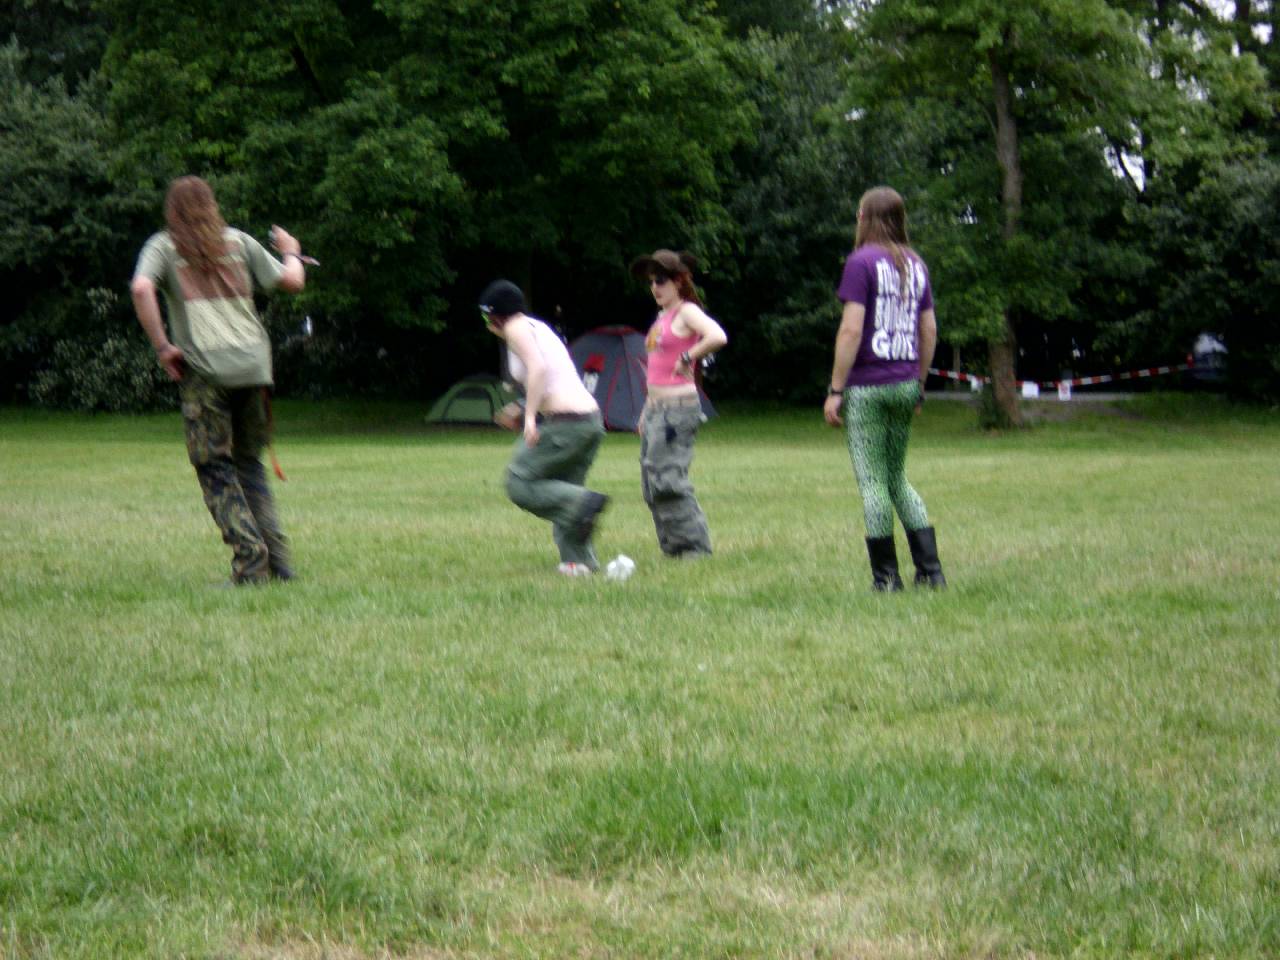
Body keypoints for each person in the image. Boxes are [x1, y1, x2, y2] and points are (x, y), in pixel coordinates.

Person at [130, 175, 306, 585]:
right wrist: (292, 252)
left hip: (206, 372)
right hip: (254, 368)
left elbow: (141, 288)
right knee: (249, 464)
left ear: (172, 211)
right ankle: (279, 564)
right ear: (212, 206)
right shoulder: (239, 242)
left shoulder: (163, 246)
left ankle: (250, 564)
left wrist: (163, 347)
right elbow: (293, 281)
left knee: (214, 468)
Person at [823, 186, 947, 591]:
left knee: (873, 483)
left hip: (867, 388)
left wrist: (836, 390)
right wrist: (919, 383)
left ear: (864, 219)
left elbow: (851, 330)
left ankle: (887, 578)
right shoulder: (916, 264)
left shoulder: (861, 263)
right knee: (897, 478)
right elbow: (928, 329)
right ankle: (930, 572)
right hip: (906, 382)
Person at [480, 279, 610, 576]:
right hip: (589, 422)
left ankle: (583, 503)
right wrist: (522, 407)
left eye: (485, 316)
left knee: (519, 481)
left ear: (494, 314)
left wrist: (529, 418)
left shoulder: (515, 328)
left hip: (566, 422)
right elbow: (554, 377)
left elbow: (538, 368)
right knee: (564, 489)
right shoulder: (537, 328)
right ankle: (578, 564)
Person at [629, 249, 728, 558]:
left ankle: (695, 548)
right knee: (651, 483)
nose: (654, 287)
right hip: (656, 409)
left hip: (677, 409)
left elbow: (717, 335)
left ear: (679, 281)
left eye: (660, 280)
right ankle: (673, 548)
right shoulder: (662, 317)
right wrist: (646, 412)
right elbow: (656, 368)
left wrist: (688, 356)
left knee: (668, 479)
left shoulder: (686, 312)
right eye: (651, 282)